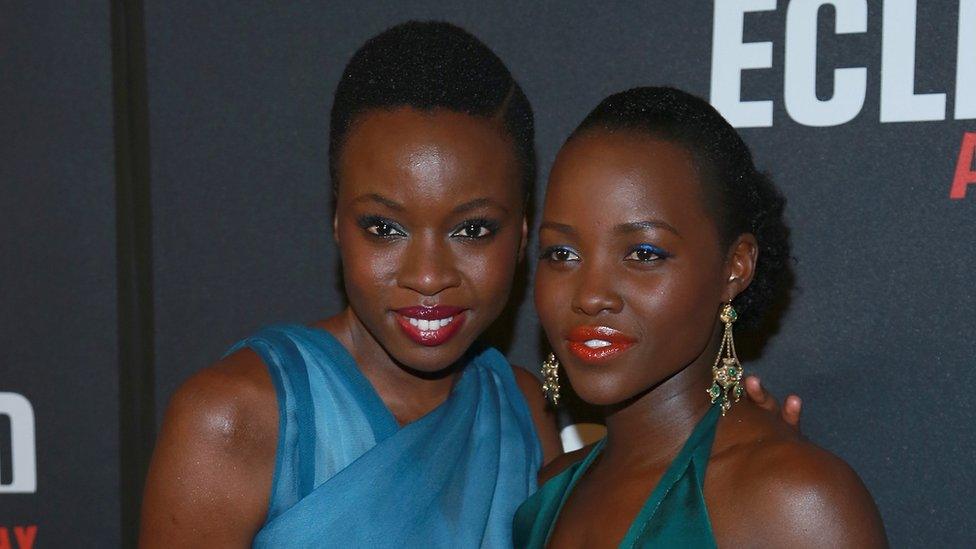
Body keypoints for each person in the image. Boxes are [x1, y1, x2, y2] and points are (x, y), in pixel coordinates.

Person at [139, 23, 799, 547]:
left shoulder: (524, 412)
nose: (428, 276)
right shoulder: (236, 419)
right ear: (337, 224)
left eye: (473, 231)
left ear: (521, 239)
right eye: (384, 228)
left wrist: (726, 460)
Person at [514, 86, 887, 548]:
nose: (590, 296)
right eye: (563, 252)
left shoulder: (792, 501)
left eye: (644, 253)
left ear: (735, 266)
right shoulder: (549, 493)